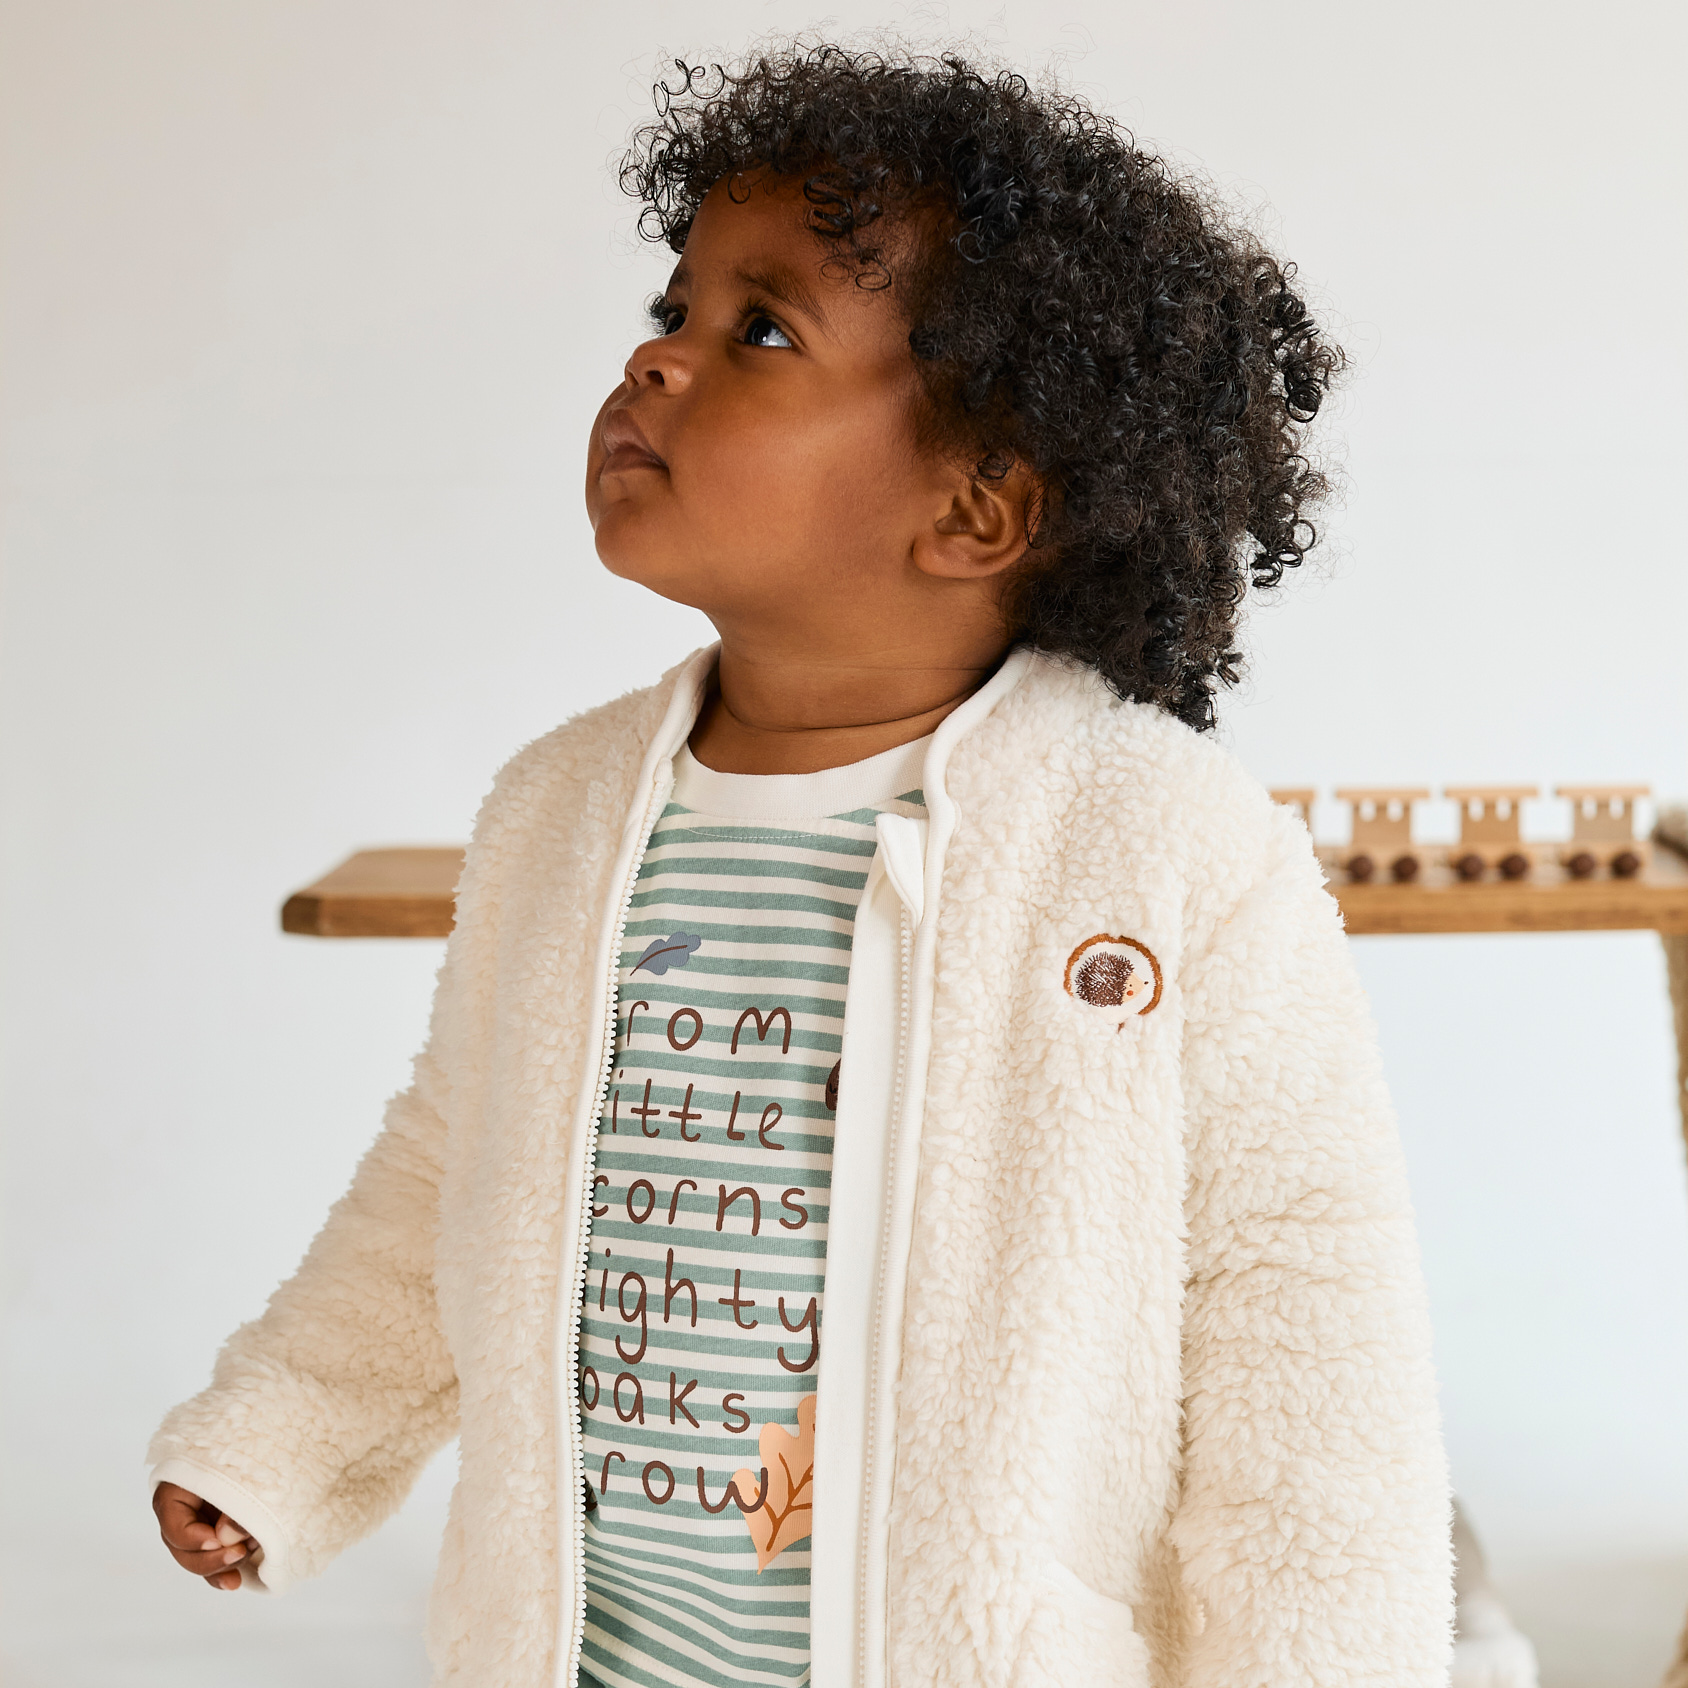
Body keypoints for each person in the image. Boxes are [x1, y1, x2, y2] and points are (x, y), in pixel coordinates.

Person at [149, 43, 1453, 1688]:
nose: (658, 355)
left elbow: (1308, 1351)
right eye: (676, 307)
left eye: (760, 330)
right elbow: (443, 1179)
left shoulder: (1171, 854)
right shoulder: (559, 814)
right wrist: (283, 1436)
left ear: (977, 510)